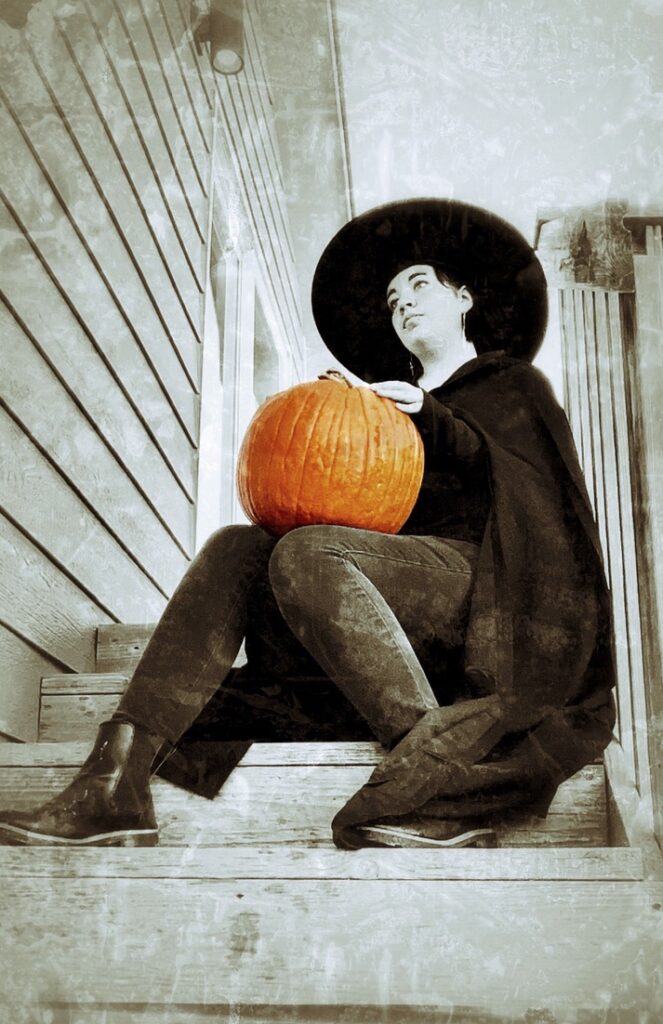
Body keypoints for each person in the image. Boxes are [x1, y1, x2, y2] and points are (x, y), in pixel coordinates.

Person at [0, 199, 616, 851]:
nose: (400, 301)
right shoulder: (380, 406)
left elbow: (536, 507)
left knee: (308, 551)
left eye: (418, 284)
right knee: (241, 546)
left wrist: (432, 420)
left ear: (462, 297)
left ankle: (435, 773)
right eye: (390, 296)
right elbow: (348, 509)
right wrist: (352, 418)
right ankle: (117, 784)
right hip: (374, 630)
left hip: (483, 609)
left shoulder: (512, 386)